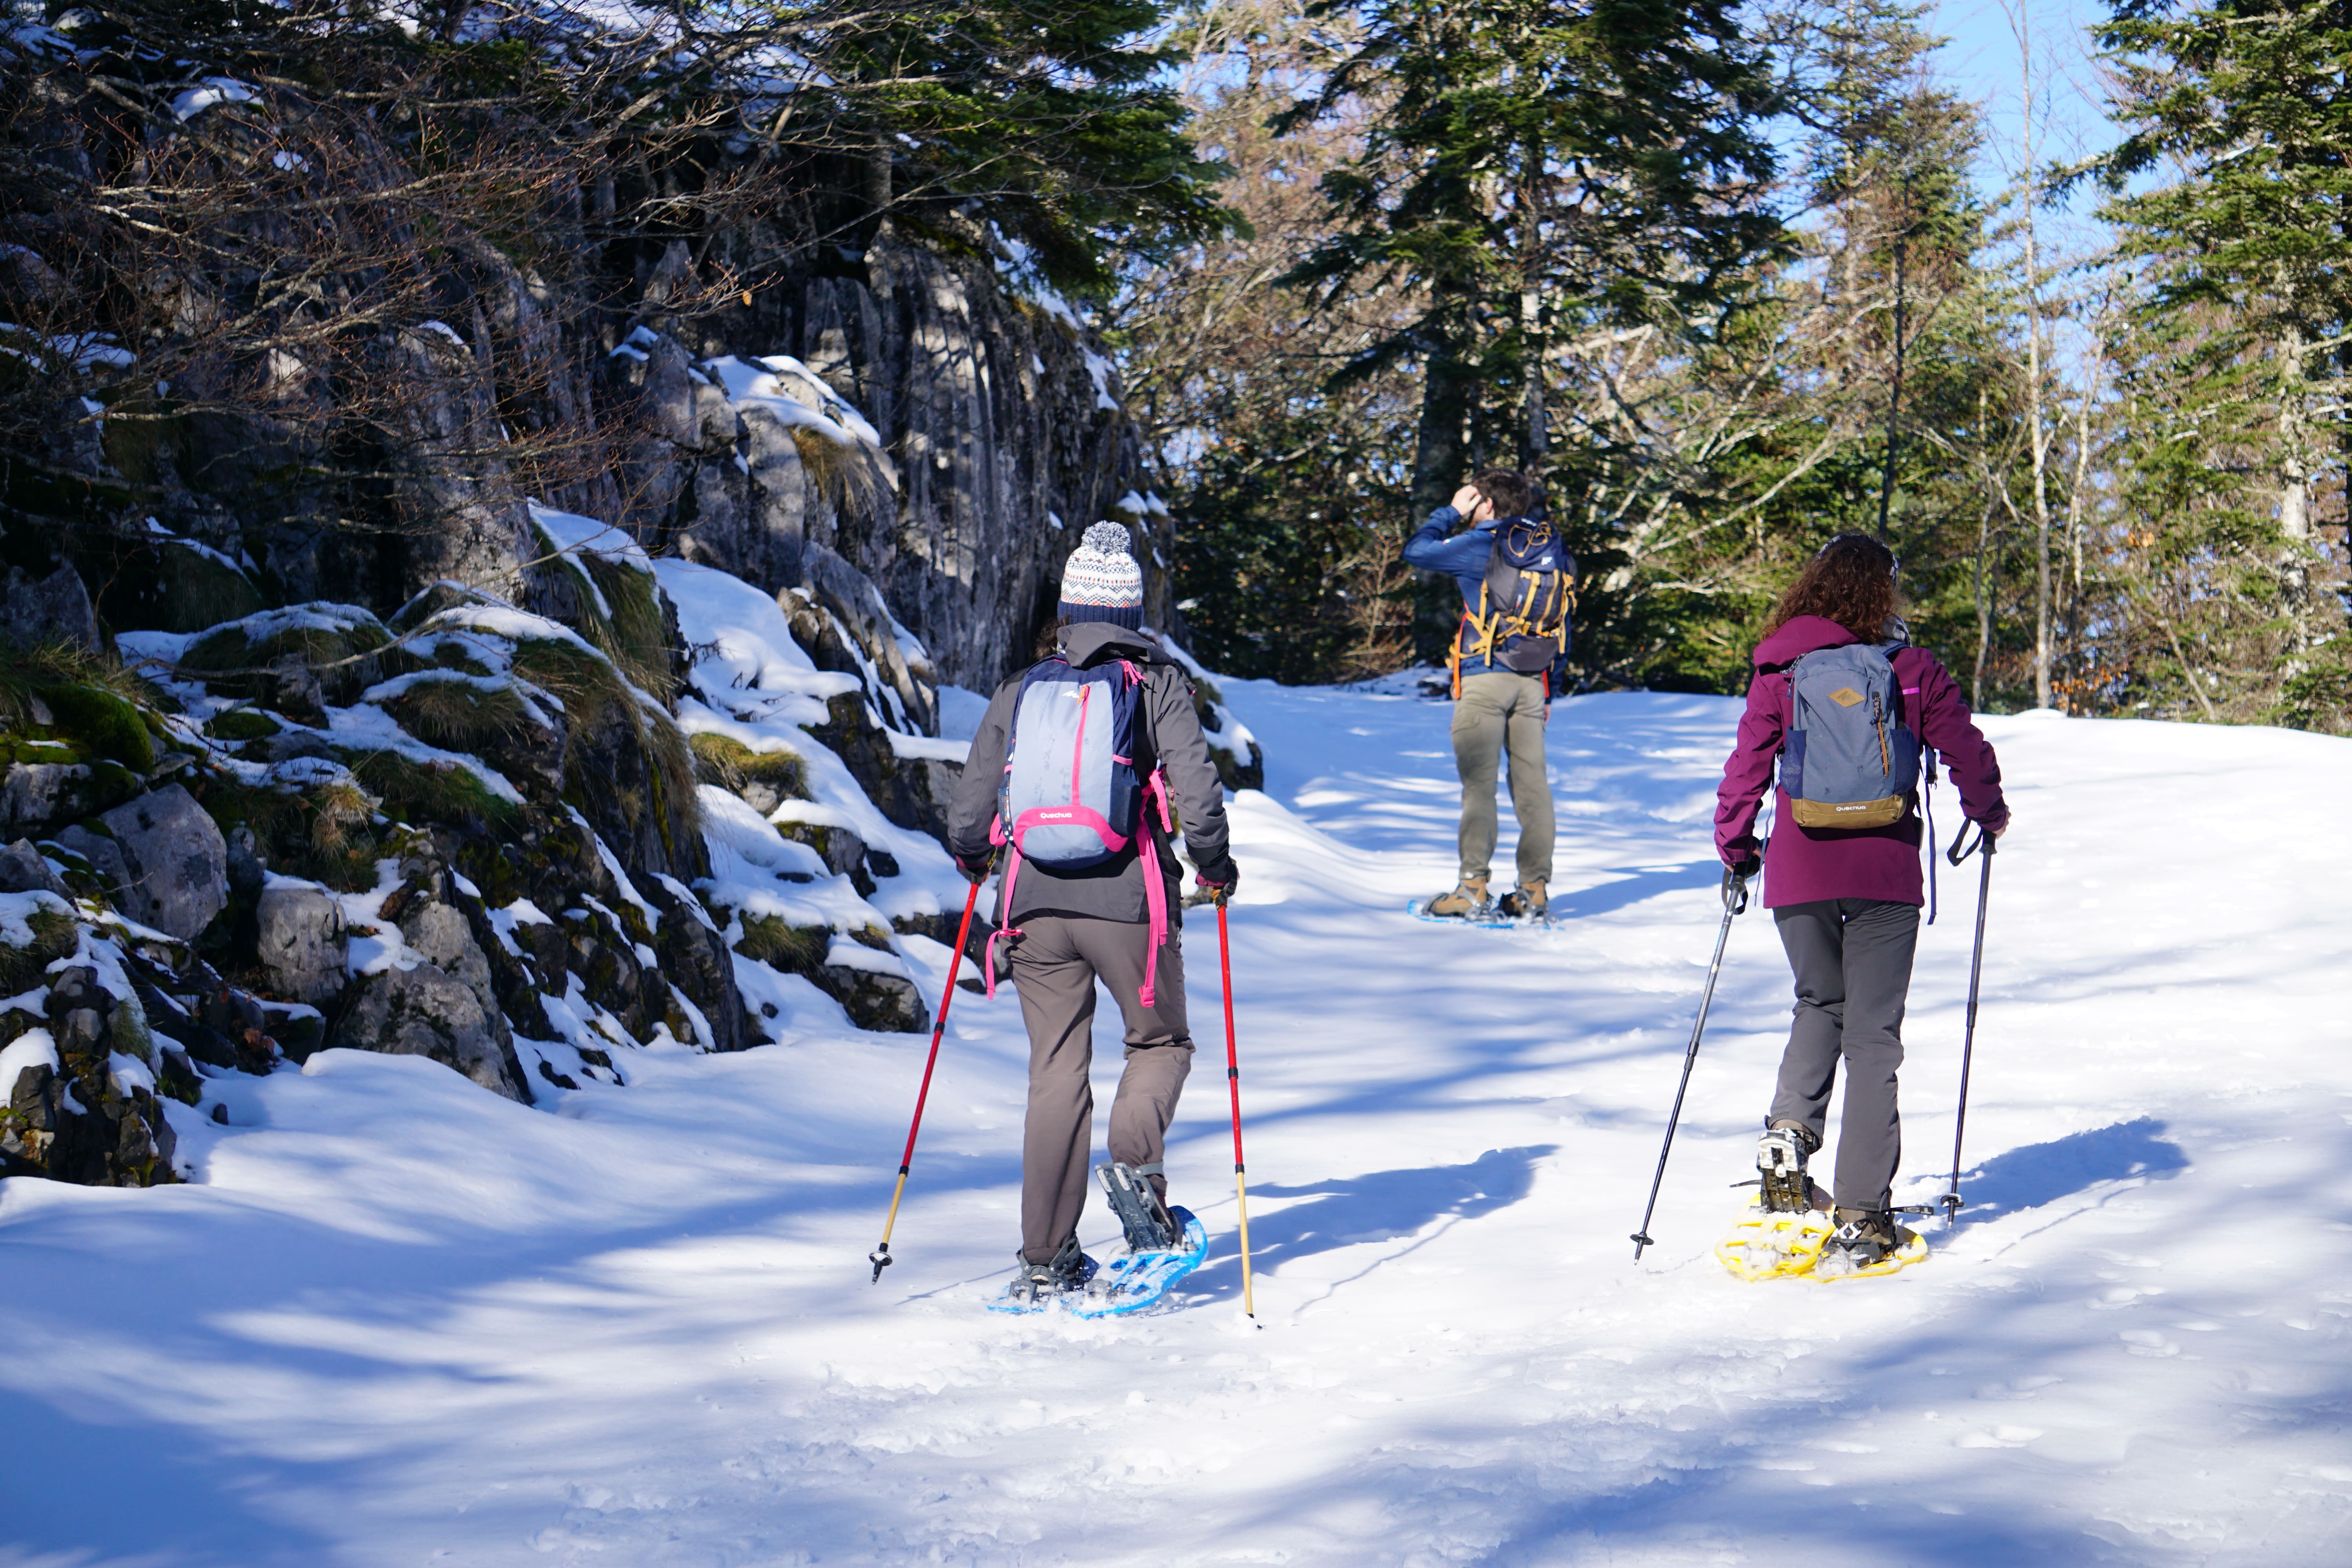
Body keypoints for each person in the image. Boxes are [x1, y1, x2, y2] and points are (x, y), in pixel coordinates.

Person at [946, 522, 1238, 1303]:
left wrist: (974, 858)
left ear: (1070, 608)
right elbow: (1197, 791)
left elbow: (970, 812)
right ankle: (1137, 1174)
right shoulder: (1156, 682)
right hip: (1128, 905)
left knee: (1055, 1071)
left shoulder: (1022, 687)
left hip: (1033, 907)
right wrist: (1215, 866)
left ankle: (1046, 1257)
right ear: (1131, 611)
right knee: (1160, 1042)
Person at [1713, 533, 2009, 1266]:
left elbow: (1747, 767)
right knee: (1872, 1037)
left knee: (1819, 1002)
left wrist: (1737, 847)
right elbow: (1967, 752)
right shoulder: (1912, 670)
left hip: (1800, 870)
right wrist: (1990, 813)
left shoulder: (1782, 670)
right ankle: (1863, 1216)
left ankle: (1790, 1133)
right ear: (1885, 592)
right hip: (1884, 871)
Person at [1401, 468, 1570, 920]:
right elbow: (1561, 623)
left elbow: (1416, 550)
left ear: (1487, 504)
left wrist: (1451, 512)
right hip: (1533, 683)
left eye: (1474, 499)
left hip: (1484, 678)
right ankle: (1534, 892)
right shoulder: (1548, 550)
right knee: (1533, 788)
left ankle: (1472, 889)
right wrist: (1548, 690)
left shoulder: (1480, 543)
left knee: (1479, 787)